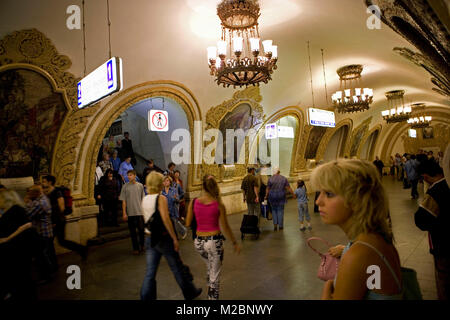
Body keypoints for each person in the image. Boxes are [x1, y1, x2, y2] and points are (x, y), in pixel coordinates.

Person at [312, 159, 403, 300]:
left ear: (356, 200)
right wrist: (346, 249)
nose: (318, 201)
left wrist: (326, 290)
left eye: (329, 194)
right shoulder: (375, 238)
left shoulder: (358, 254)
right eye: (320, 192)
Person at [140, 171, 202, 301]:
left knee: (150, 272)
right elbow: (166, 220)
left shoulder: (145, 199)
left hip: (150, 238)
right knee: (177, 268)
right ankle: (190, 292)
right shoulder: (160, 198)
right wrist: (174, 238)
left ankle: (146, 297)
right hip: (163, 238)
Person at [186, 175, 240, 300]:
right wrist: (234, 242)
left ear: (203, 187)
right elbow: (225, 227)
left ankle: (209, 284)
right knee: (215, 275)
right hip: (214, 243)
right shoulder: (218, 205)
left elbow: (188, 223)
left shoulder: (194, 202)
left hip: (198, 243)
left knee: (210, 267)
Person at [414, 160, 450, 300]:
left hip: (443, 245)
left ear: (425, 177)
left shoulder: (436, 191)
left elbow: (421, 219)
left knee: (444, 282)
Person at [0, 189, 35, 300]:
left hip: (17, 248)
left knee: (20, 275)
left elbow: (28, 224)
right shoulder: (7, 210)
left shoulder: (16, 209)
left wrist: (8, 238)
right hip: (13, 249)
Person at [42, 175, 88, 260]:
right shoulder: (46, 193)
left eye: (44, 181)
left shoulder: (57, 192)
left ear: (50, 182)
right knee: (53, 242)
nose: (42, 183)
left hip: (58, 220)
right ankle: (81, 249)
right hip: (52, 221)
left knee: (59, 242)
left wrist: (55, 221)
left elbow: (61, 207)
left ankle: (81, 249)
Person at [24, 184, 55, 284]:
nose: (28, 195)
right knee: (44, 255)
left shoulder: (40, 203)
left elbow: (29, 214)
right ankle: (48, 274)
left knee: (42, 256)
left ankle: (47, 276)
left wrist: (27, 202)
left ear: (35, 193)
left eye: (30, 193)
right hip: (45, 231)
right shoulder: (42, 198)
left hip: (43, 233)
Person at [120, 170, 145, 254]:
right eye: (128, 175)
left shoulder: (140, 186)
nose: (128, 177)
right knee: (133, 232)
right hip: (130, 213)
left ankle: (142, 245)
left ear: (135, 175)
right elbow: (123, 201)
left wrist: (144, 211)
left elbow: (143, 199)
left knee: (141, 230)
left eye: (130, 175)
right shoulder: (125, 186)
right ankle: (136, 248)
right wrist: (124, 213)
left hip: (140, 212)